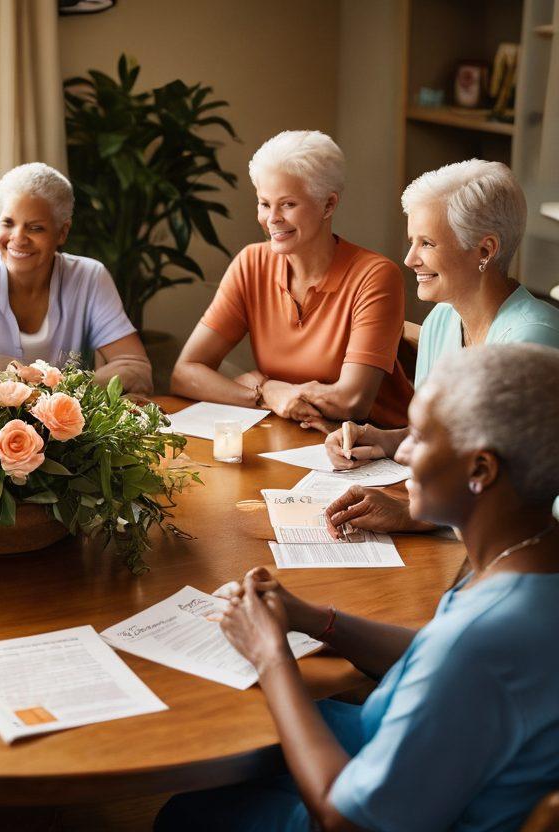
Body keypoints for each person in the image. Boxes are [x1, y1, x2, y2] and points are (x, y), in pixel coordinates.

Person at [156, 342, 559, 832]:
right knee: (241, 730)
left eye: (423, 437)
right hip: (433, 760)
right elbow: (434, 654)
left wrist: (270, 653)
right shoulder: (529, 554)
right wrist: (317, 619)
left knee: (189, 812)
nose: (403, 452)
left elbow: (343, 819)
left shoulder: (479, 642)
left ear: (481, 470)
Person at [319, 160, 559, 537]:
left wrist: (410, 515)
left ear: (485, 249)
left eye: (426, 243)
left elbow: (517, 491)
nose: (410, 258)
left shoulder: (532, 340)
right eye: (412, 241)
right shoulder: (441, 322)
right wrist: (386, 438)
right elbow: (457, 441)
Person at [170, 130, 413, 428]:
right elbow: (186, 373)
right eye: (264, 203)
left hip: (375, 453)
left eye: (287, 204)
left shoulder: (375, 276)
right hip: (293, 438)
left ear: (328, 205)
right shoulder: (251, 263)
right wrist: (266, 392)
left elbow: (352, 402)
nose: (272, 218)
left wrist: (263, 384)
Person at [0, 162, 154, 392]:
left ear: (62, 232)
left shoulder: (89, 277)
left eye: (35, 228)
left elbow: (137, 369)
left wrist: (51, 394)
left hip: (72, 430)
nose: (18, 238)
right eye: (8, 223)